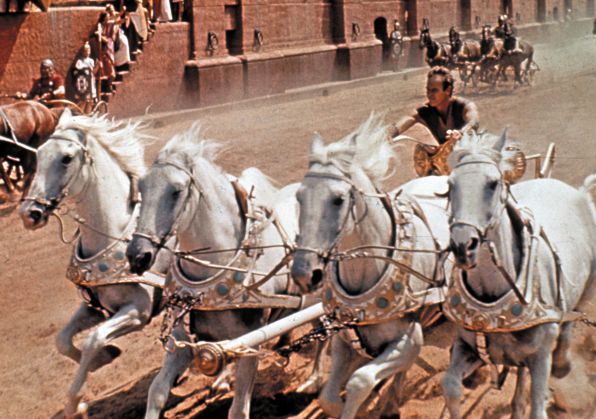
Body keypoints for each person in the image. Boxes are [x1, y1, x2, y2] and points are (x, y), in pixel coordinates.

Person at [389, 66, 479, 175]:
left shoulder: (464, 106)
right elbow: (403, 122)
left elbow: (473, 122)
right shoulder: (424, 111)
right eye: (428, 90)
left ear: (448, 90)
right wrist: (388, 134)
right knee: (422, 151)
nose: (429, 95)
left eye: (434, 90)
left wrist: (461, 133)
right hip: (447, 167)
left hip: (471, 163)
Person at [73, 42, 99, 113]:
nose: (87, 52)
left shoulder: (91, 61)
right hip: (83, 84)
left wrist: (97, 66)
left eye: (88, 50)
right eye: (85, 50)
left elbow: (93, 72)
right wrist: (86, 69)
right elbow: (78, 69)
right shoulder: (79, 61)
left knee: (90, 101)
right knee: (83, 101)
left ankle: (88, 113)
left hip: (91, 82)